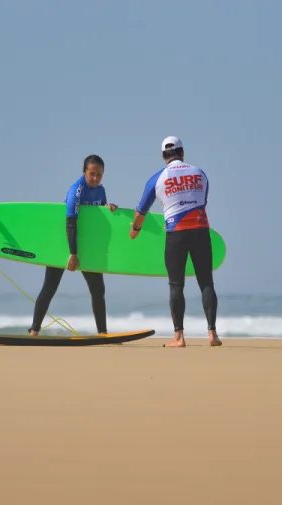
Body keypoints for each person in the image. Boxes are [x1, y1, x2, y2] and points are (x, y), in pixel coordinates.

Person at [129, 136, 221, 348]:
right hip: (200, 231)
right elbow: (202, 201)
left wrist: (135, 229)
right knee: (206, 282)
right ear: (182, 152)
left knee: (176, 284)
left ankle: (179, 337)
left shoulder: (157, 179)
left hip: (176, 235)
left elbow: (140, 211)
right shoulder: (200, 173)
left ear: (163, 156)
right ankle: (213, 334)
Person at [29, 155, 117, 336]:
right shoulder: (76, 190)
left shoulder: (101, 190)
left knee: (98, 289)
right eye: (91, 174)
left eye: (99, 175)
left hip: (87, 246)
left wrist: (109, 207)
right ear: (84, 172)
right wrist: (73, 253)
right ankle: (34, 330)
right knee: (50, 287)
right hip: (65, 243)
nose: (95, 178)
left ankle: (102, 333)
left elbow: (97, 220)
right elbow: (70, 222)